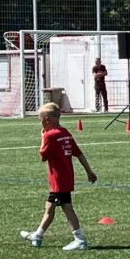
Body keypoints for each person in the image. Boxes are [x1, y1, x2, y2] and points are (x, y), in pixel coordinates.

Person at [26, 102, 96, 249]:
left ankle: (80, 239)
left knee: (67, 208)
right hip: (66, 177)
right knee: (50, 207)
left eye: (41, 121)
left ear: (46, 120)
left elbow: (43, 156)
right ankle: (38, 235)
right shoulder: (65, 132)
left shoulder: (50, 136)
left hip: (58, 180)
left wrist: (43, 137)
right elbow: (79, 153)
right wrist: (89, 171)